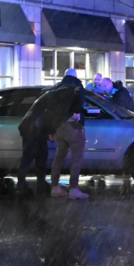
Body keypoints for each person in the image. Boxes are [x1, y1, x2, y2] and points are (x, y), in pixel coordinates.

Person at [50, 69, 89, 200]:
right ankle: (74, 189)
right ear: (75, 76)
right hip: (73, 126)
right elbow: (79, 99)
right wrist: (78, 111)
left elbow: (53, 107)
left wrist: (52, 128)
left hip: (60, 126)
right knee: (76, 158)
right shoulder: (77, 85)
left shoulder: (57, 87)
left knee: (59, 157)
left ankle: (55, 188)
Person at [15, 90, 51, 197]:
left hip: (31, 133)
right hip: (34, 133)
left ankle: (24, 184)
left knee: (31, 158)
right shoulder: (45, 107)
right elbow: (46, 122)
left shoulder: (37, 104)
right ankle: (24, 185)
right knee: (36, 158)